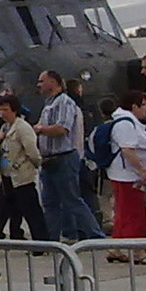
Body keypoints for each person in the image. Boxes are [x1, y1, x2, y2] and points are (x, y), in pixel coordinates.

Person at [33, 71, 104, 243]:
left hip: (63, 158)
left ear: (53, 82)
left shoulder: (64, 102)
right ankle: (51, 239)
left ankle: (95, 235)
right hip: (48, 160)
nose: (39, 85)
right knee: (50, 203)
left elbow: (62, 129)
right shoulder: (47, 104)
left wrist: (41, 129)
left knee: (71, 199)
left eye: (42, 81)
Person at [0, 95, 45, 242]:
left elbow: (32, 151)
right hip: (6, 176)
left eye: (6, 110)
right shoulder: (5, 127)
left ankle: (42, 242)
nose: (2, 113)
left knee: (31, 211)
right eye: (0, 110)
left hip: (21, 176)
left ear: (14, 110)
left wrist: (36, 164)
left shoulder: (22, 128)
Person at [102, 91, 146, 256]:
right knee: (135, 213)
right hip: (128, 175)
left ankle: (116, 248)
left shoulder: (127, 122)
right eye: (144, 105)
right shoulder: (125, 124)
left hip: (125, 174)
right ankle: (138, 251)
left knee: (123, 212)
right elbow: (127, 149)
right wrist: (142, 170)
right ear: (134, 106)